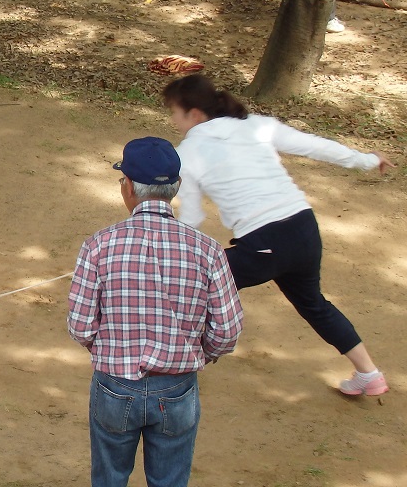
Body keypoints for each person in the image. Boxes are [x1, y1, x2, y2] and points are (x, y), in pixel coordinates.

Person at [162, 74, 394, 396]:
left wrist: (168, 248)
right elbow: (315, 146)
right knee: (314, 304)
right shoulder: (255, 125)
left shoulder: (187, 152)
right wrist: (367, 160)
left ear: (194, 114)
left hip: (264, 243)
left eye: (174, 111)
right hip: (303, 228)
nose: (173, 120)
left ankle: (168, 363)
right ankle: (369, 374)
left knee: (191, 284)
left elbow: (192, 217)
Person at [67, 137, 244, 487]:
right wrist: (198, 354)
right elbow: (226, 331)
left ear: (129, 188)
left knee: (109, 478)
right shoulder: (208, 250)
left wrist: (108, 349)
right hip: (177, 387)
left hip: (114, 384)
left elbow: (80, 326)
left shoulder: (99, 245)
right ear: (175, 188)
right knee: (169, 480)